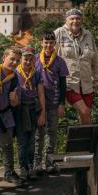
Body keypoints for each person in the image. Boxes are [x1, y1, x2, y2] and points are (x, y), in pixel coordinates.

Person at [54, 9, 98, 125]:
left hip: (86, 83)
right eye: (72, 18)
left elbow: (95, 59)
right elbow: (51, 58)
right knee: (85, 112)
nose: (75, 21)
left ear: (82, 20)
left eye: (78, 18)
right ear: (66, 20)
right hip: (69, 83)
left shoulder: (88, 34)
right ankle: (89, 140)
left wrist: (97, 79)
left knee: (86, 114)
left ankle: (85, 141)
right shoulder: (59, 33)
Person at [34, 31, 69, 175]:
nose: (48, 45)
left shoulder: (59, 61)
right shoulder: (35, 60)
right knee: (38, 134)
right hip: (38, 104)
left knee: (52, 133)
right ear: (41, 43)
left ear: (55, 44)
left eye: (51, 43)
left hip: (54, 103)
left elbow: (62, 85)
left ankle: (49, 161)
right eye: (46, 42)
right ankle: (36, 163)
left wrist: (62, 104)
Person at [0, 47, 21, 184]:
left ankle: (9, 172)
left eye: (17, 60)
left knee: (7, 145)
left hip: (5, 113)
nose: (14, 63)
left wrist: (15, 101)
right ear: (4, 58)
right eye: (12, 59)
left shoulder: (14, 78)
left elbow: (14, 102)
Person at [15, 47, 46, 182]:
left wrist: (42, 113)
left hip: (33, 109)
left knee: (32, 140)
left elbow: (41, 94)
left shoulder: (37, 73)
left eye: (30, 59)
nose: (27, 62)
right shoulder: (15, 73)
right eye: (25, 59)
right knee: (22, 141)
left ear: (34, 59)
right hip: (20, 111)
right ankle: (22, 167)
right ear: (20, 59)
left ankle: (30, 165)